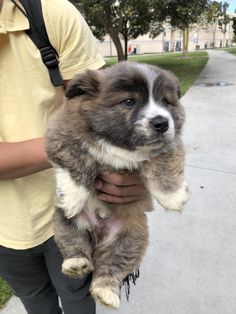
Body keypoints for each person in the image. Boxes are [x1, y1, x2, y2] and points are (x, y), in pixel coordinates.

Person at [0, 0, 146, 313]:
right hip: (5, 230)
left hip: (79, 213)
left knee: (80, 298)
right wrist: (80, 144)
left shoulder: (49, 13)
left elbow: (112, 112)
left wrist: (137, 171)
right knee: (36, 303)